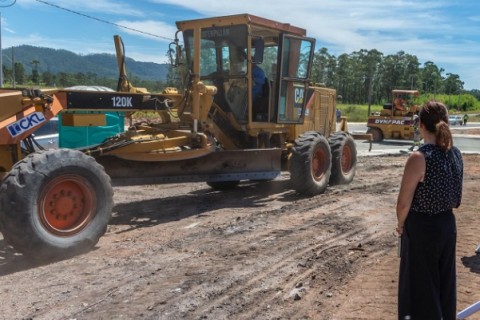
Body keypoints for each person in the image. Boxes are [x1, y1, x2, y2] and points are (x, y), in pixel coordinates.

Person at [396, 100, 463, 320]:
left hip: (422, 228)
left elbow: (403, 203)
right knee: (445, 287)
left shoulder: (419, 157)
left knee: (419, 291)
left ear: (421, 125)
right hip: (447, 226)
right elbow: (456, 198)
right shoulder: (456, 154)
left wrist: (400, 224)